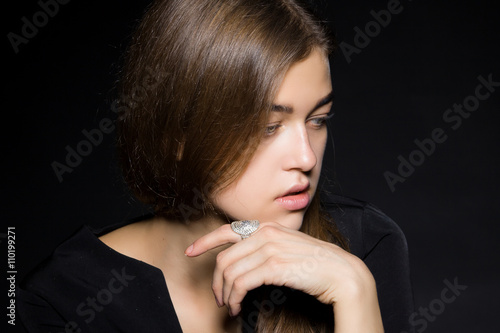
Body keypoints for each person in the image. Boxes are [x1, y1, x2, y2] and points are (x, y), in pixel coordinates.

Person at [18, 0, 414, 332]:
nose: (306, 158)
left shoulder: (363, 246)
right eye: (268, 127)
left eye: (318, 120)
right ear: (178, 137)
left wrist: (354, 289)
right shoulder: (62, 300)